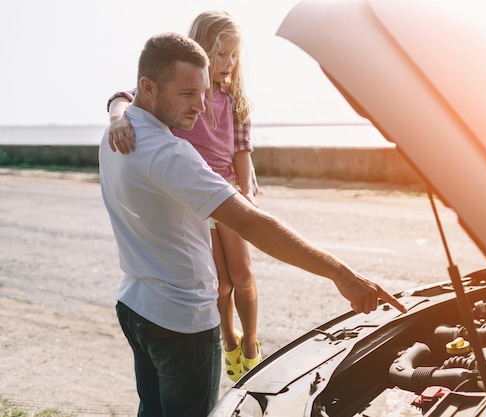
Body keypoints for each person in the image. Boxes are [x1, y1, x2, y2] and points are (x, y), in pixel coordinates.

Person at [99, 32, 407, 417]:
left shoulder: (117, 133)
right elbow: (251, 222)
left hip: (136, 307)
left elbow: (121, 101)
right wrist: (340, 273)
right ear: (147, 87)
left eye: (203, 90)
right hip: (181, 322)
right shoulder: (169, 154)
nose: (201, 105)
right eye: (187, 94)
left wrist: (115, 108)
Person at [107, 11, 261, 382]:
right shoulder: (184, 89)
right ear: (203, 52)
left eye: (233, 56)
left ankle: (252, 341)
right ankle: (228, 338)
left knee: (242, 273)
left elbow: (244, 153)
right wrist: (117, 118)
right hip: (191, 195)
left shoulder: (235, 99)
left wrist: (249, 197)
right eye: (220, 54)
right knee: (219, 282)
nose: (228, 63)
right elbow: (124, 95)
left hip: (227, 190)